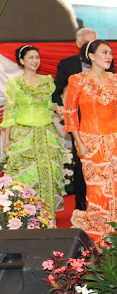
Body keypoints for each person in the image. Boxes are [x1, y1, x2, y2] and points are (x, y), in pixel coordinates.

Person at [63, 40, 117, 245]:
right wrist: (79, 142)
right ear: (91, 56)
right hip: (91, 142)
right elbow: (70, 113)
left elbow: (115, 111)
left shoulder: (115, 79)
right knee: (97, 190)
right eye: (104, 52)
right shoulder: (77, 80)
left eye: (110, 53)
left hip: (116, 140)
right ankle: (99, 235)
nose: (109, 57)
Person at [1, 45, 66, 219]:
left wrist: (57, 108)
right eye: (30, 57)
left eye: (37, 57)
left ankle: (48, 217)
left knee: (51, 172)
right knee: (27, 175)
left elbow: (47, 105)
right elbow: (10, 111)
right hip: (24, 134)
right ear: (21, 60)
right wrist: (6, 138)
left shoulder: (47, 81)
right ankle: (27, 218)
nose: (35, 60)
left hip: (46, 132)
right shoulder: (14, 83)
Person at [53, 28, 115, 210]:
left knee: (106, 167)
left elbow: (113, 96)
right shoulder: (68, 64)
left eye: (95, 42)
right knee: (82, 164)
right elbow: (56, 90)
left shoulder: (107, 62)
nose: (92, 46)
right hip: (80, 124)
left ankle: (105, 205)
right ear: (79, 44)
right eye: (88, 43)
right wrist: (62, 109)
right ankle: (81, 203)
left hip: (106, 125)